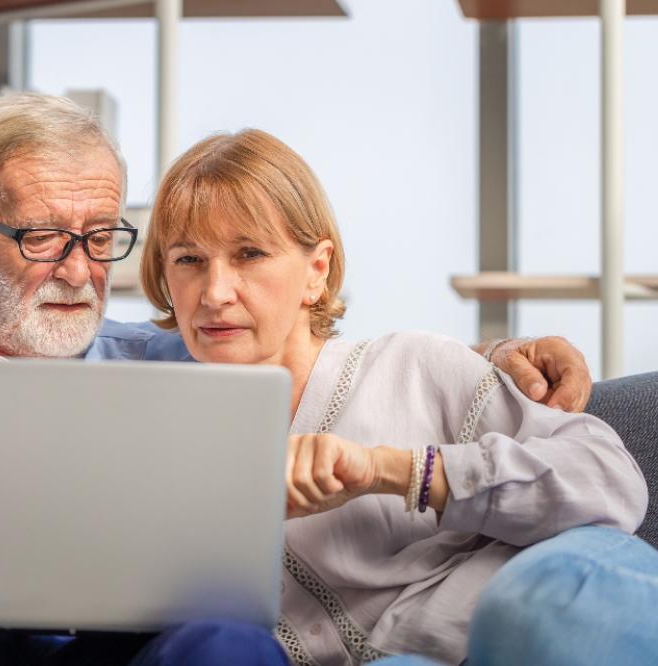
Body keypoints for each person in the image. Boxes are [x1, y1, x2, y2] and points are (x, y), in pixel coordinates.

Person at [0, 94, 595, 666]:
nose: (80, 269)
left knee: (228, 645)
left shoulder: (173, 361)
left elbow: (309, 353)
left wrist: (500, 363)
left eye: (102, 238)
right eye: (43, 236)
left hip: (118, 652)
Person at [136, 128, 656, 665]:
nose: (215, 292)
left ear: (317, 271)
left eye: (249, 254)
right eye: (188, 260)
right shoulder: (163, 443)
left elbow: (608, 480)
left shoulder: (412, 366)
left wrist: (394, 471)